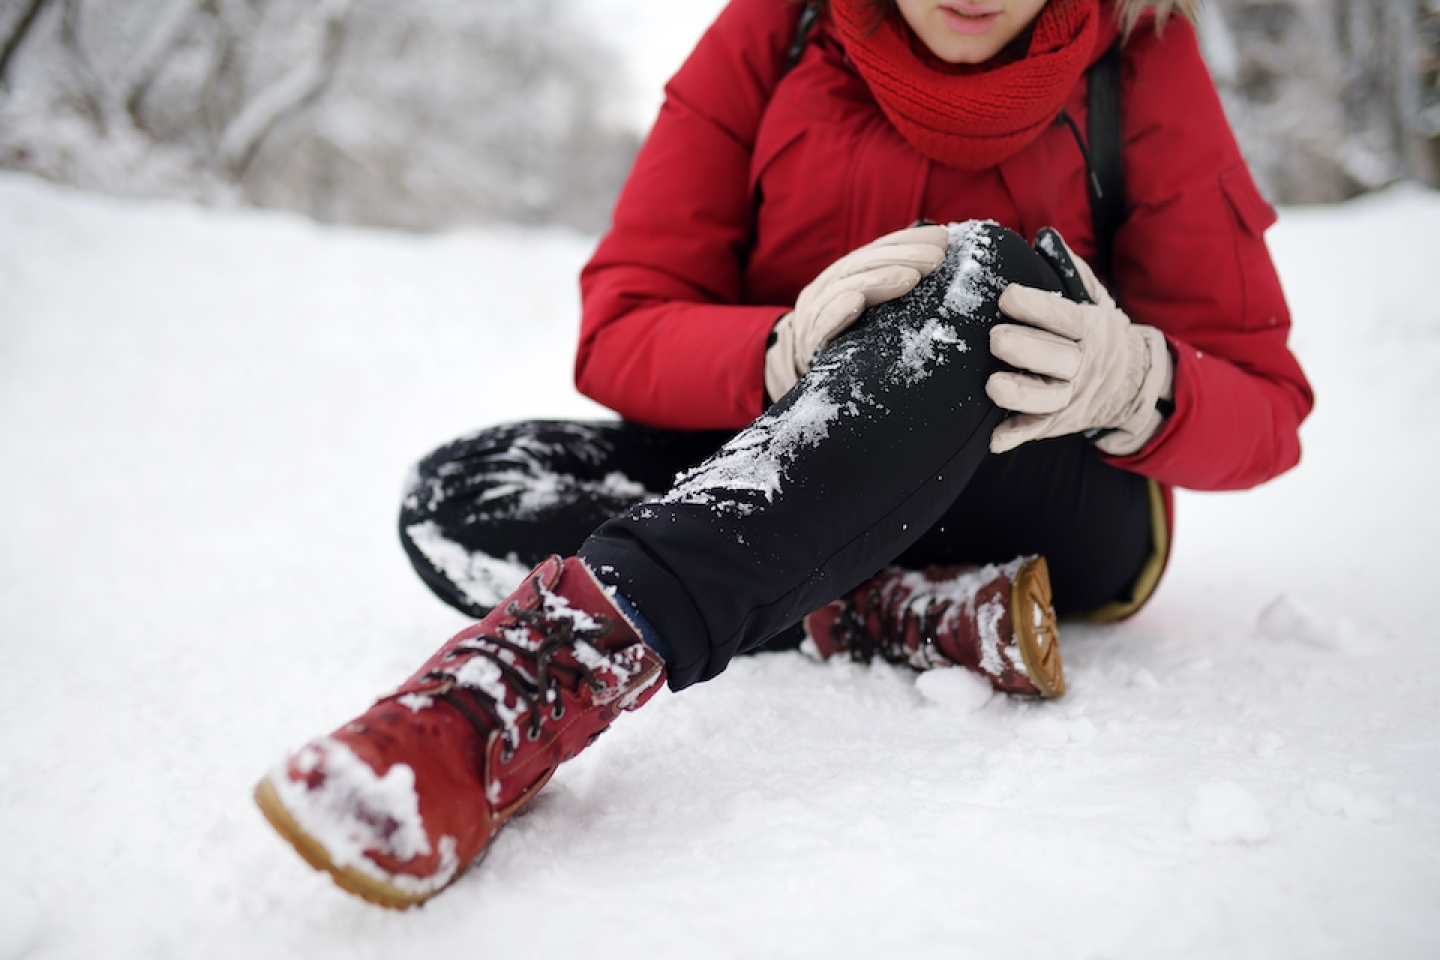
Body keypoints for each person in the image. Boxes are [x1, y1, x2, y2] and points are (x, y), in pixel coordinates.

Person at [254, 0, 1313, 908]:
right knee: (463, 494)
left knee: (976, 271)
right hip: (790, 461)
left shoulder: (1141, 52)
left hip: (1047, 488)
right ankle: (877, 609)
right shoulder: (778, 30)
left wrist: (1140, 379)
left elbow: (1269, 406)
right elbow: (619, 320)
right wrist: (779, 349)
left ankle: (531, 681)